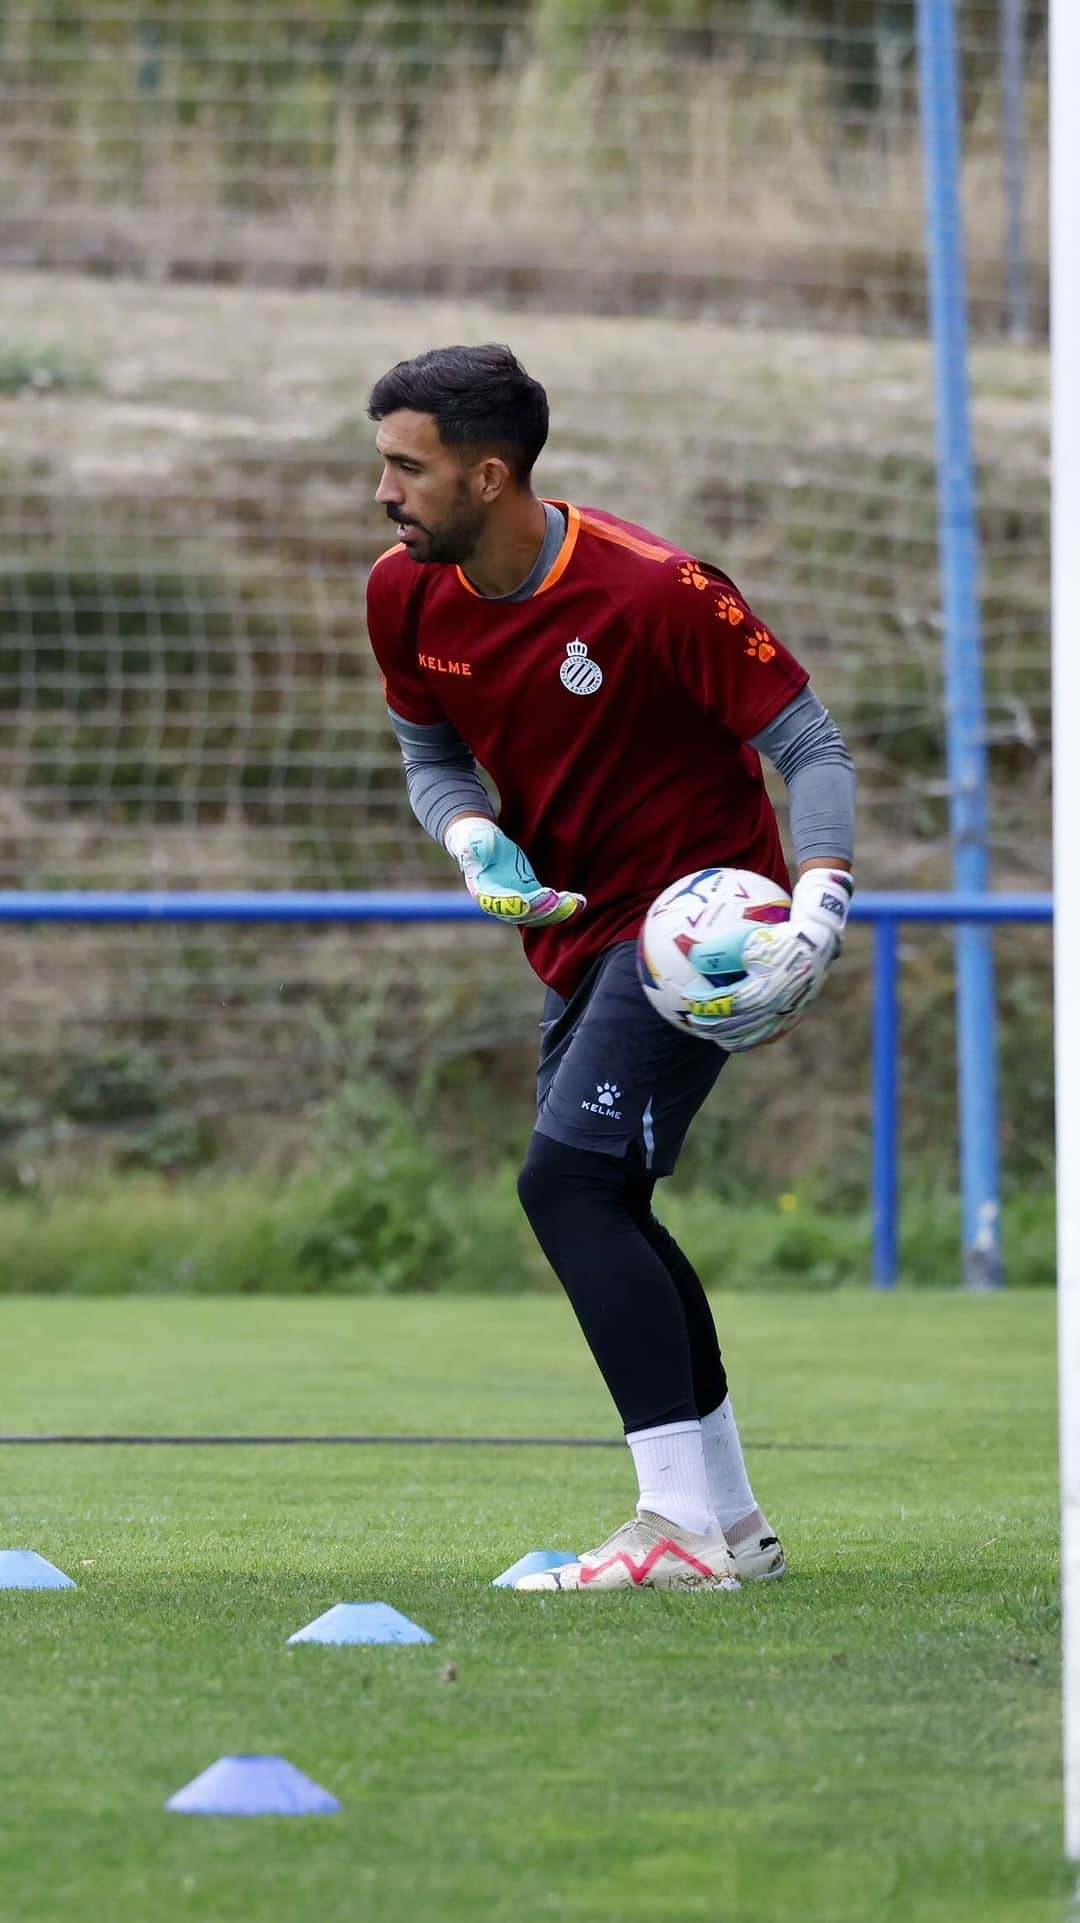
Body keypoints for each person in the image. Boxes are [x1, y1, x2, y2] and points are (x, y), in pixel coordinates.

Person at [365, 343, 855, 1592]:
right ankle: (729, 1521)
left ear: (489, 474)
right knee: (609, 1200)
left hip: (696, 930)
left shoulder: (657, 591)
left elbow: (810, 742)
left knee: (566, 1189)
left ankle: (677, 1527)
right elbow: (434, 760)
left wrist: (821, 900)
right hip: (576, 939)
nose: (383, 493)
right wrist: (473, 838)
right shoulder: (404, 595)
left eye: (405, 468)